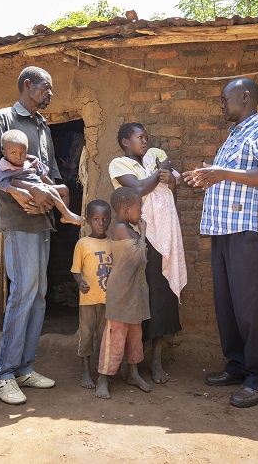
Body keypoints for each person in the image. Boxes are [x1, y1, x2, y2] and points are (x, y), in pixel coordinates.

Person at [182, 77, 258, 409]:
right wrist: (208, 176)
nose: (222, 105)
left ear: (245, 97)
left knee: (251, 307)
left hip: (249, 230)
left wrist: (223, 174)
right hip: (224, 229)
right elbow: (227, 177)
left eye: (225, 99)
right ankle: (238, 365)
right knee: (228, 305)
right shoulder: (234, 136)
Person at [0, 66, 59, 405]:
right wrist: (18, 194)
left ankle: (24, 368)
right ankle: (4, 375)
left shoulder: (43, 127)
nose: (50, 94)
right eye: (45, 88)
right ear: (27, 85)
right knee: (23, 290)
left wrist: (51, 198)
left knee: (39, 294)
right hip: (18, 221)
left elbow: (47, 175)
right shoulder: (3, 119)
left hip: (42, 222)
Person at [108, 123, 187, 384]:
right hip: (136, 239)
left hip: (162, 238)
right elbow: (137, 190)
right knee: (137, 298)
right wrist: (161, 172)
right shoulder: (119, 165)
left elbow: (170, 195)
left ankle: (156, 361)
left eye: (146, 137)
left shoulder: (154, 161)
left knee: (160, 297)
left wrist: (171, 179)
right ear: (124, 142)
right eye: (138, 137)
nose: (144, 141)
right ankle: (131, 362)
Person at [96, 187, 153, 399]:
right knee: (115, 336)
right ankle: (103, 378)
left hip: (134, 291)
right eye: (139, 208)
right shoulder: (120, 228)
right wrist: (144, 231)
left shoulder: (128, 227)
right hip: (120, 292)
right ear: (126, 209)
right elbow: (139, 256)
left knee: (134, 334)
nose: (142, 212)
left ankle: (133, 373)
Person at [0, 129, 84, 225]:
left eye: (22, 153)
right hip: (26, 196)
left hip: (41, 190)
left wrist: (51, 186)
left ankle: (64, 216)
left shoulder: (31, 161)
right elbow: (1, 183)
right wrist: (18, 191)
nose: (18, 157)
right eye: (13, 153)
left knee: (64, 189)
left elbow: (43, 177)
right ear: (4, 153)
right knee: (52, 192)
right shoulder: (4, 167)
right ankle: (67, 214)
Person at [71, 199, 112, 388]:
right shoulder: (83, 243)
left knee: (105, 335)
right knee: (87, 335)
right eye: (96, 219)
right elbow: (75, 269)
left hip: (108, 300)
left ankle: (103, 370)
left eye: (105, 219)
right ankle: (85, 370)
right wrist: (80, 282)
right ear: (88, 220)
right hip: (88, 300)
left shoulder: (112, 243)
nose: (101, 223)